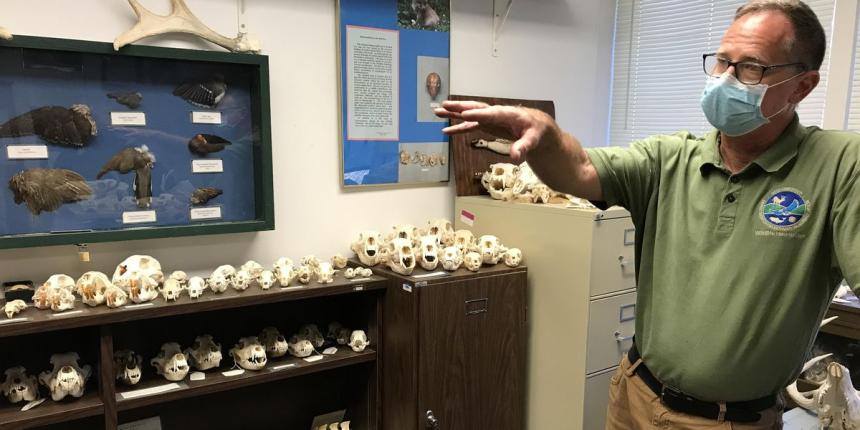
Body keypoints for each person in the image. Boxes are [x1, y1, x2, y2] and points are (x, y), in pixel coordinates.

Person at [435, 1, 860, 428]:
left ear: (801, 86)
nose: (726, 79)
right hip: (635, 396)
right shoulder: (669, 158)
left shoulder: (839, 166)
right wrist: (545, 136)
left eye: (751, 68)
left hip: (730, 421)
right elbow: (580, 169)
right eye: (723, 62)